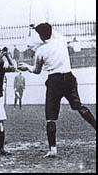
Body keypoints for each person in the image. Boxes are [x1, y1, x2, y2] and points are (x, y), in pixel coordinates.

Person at [18, 23, 96, 158]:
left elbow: (36, 71)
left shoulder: (41, 51)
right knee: (79, 106)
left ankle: (53, 149)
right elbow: (52, 32)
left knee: (50, 118)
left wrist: (26, 67)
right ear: (50, 31)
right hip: (69, 77)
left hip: (54, 81)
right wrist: (38, 25)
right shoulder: (61, 41)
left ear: (41, 36)